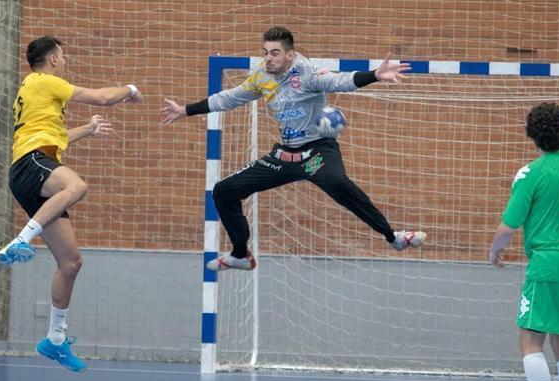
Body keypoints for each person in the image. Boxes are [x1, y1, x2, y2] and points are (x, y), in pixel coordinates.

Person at [159, 26, 424, 272]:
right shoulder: (262, 76)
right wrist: (186, 110)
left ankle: (394, 237)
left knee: (338, 183)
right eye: (265, 53)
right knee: (224, 191)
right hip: (285, 157)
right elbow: (230, 97)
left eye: (274, 53)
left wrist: (375, 75)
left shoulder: (307, 72)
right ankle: (241, 254)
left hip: (317, 152)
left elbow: (339, 81)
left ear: (290, 55)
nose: (268, 58)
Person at [0, 35, 142, 372]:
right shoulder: (45, 80)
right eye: (63, 56)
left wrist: (87, 130)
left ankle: (55, 339)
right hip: (32, 163)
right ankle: (21, 240)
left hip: (36, 169)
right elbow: (103, 98)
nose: (65, 61)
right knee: (77, 185)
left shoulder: (36, 93)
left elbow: (55, 137)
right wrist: (131, 89)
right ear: (54, 60)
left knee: (71, 262)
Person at [488, 102, 559, 381]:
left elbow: (508, 227)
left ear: (532, 135)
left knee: (530, 340)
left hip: (549, 265)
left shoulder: (532, 173)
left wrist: (494, 249)